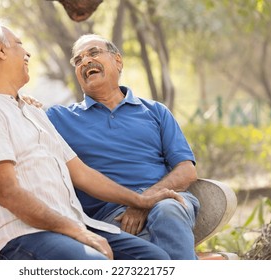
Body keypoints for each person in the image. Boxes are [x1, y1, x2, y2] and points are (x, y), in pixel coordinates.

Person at [0, 19, 184, 260]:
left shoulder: (32, 112)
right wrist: (78, 232)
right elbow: (9, 193)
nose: (27, 52)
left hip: (68, 228)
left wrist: (141, 199)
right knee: (96, 264)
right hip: (21, 237)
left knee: (156, 260)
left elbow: (81, 173)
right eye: (19, 44)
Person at [46, 34, 200, 260]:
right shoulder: (58, 118)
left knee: (167, 211)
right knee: (154, 251)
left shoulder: (155, 111)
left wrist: (144, 201)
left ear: (118, 60)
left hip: (166, 202)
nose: (85, 61)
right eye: (78, 60)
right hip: (111, 218)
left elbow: (187, 170)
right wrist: (26, 103)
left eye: (93, 53)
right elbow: (19, 118)